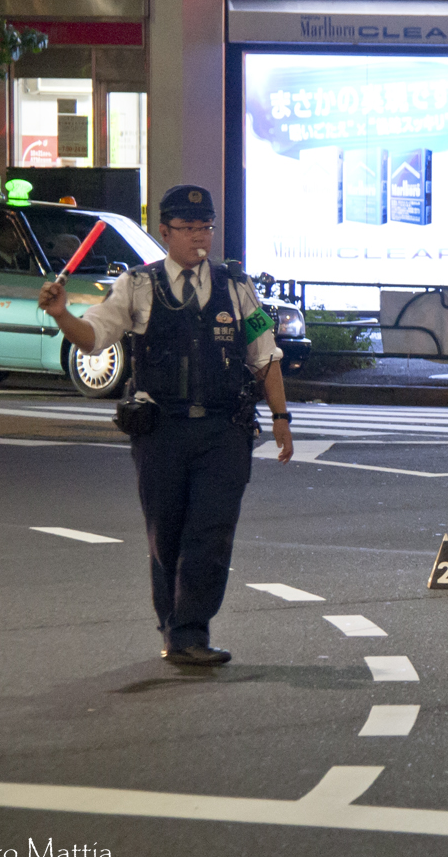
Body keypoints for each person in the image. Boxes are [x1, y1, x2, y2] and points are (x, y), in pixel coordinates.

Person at [38, 185, 295, 665]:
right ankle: (173, 628)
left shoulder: (237, 288)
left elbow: (266, 358)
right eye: (189, 228)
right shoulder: (137, 285)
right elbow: (93, 338)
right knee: (167, 534)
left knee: (212, 532)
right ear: (165, 231)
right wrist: (61, 316)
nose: (200, 237)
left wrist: (281, 419)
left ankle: (191, 631)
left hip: (224, 431)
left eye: (207, 228)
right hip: (162, 432)